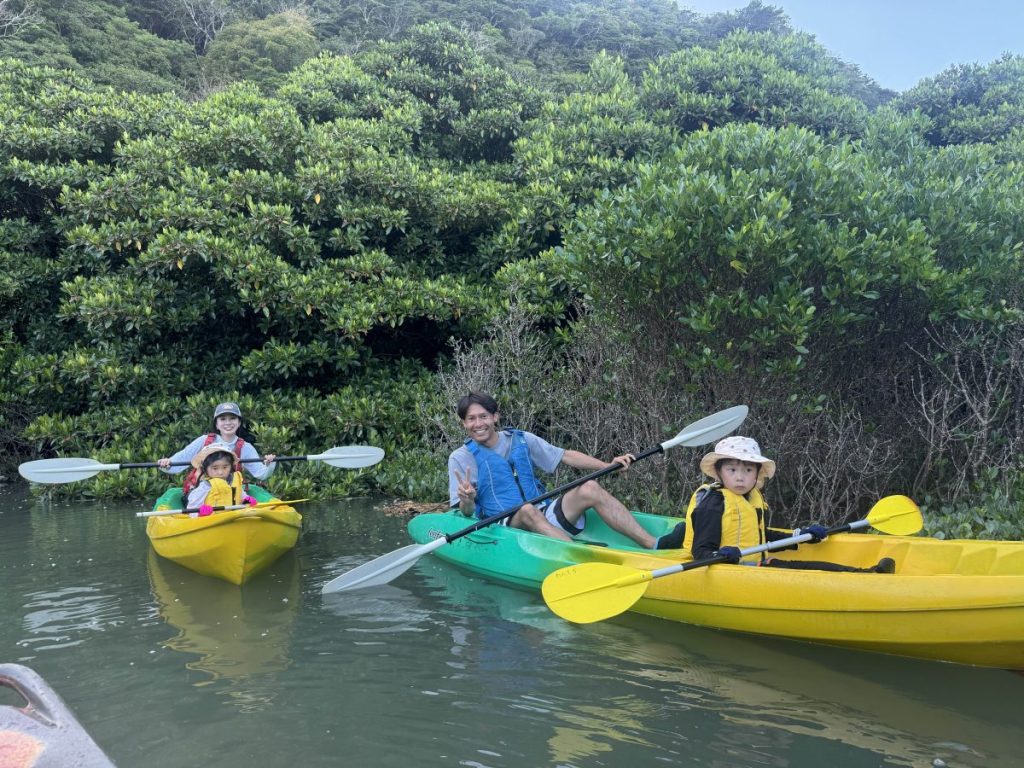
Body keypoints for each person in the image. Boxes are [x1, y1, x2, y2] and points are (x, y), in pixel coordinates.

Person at [448, 391, 678, 548]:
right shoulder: (460, 458)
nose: (478, 424)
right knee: (528, 511)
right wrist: (467, 499)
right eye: (471, 419)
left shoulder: (521, 439)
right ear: (464, 423)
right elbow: (467, 512)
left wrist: (608, 466)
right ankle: (580, 557)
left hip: (543, 514)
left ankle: (652, 543)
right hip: (503, 526)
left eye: (483, 416)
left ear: (495, 416)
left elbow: (565, 456)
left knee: (589, 487)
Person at [664, 435, 895, 572]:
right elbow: (701, 551)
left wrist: (800, 536)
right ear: (718, 472)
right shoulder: (712, 504)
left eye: (747, 470)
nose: (740, 477)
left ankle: (868, 573)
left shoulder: (750, 499)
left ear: (757, 474)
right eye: (732, 469)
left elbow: (761, 537)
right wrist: (722, 555)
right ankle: (867, 575)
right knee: (805, 571)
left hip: (756, 566)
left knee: (813, 567)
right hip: (731, 571)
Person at [158, 402, 277, 494]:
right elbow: (178, 461)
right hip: (202, 493)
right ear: (217, 424)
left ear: (239, 422)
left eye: (232, 418)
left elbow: (262, 474)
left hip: (230, 494)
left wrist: (269, 464)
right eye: (223, 419)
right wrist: (166, 464)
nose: (228, 423)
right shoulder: (204, 441)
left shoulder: (246, 447)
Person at [186, 444, 259, 516]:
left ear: (231, 466)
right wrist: (200, 512)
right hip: (212, 521)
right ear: (206, 469)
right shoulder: (204, 487)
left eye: (225, 467)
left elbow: (240, 494)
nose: (220, 472)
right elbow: (191, 509)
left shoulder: (233, 481)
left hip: (234, 518)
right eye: (215, 468)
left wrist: (246, 499)